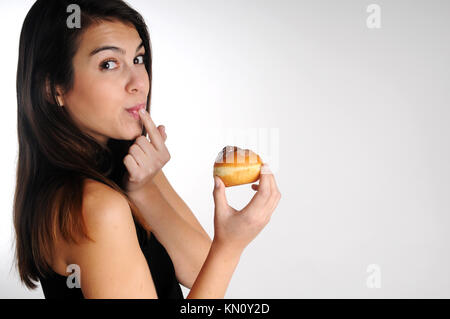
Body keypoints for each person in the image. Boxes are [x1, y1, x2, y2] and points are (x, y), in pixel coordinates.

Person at [13, 0, 281, 299]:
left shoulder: (120, 166)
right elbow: (217, 263)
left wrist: (143, 189)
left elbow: (200, 268)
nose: (138, 82)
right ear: (54, 88)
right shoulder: (95, 206)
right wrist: (231, 245)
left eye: (138, 59)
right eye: (109, 64)